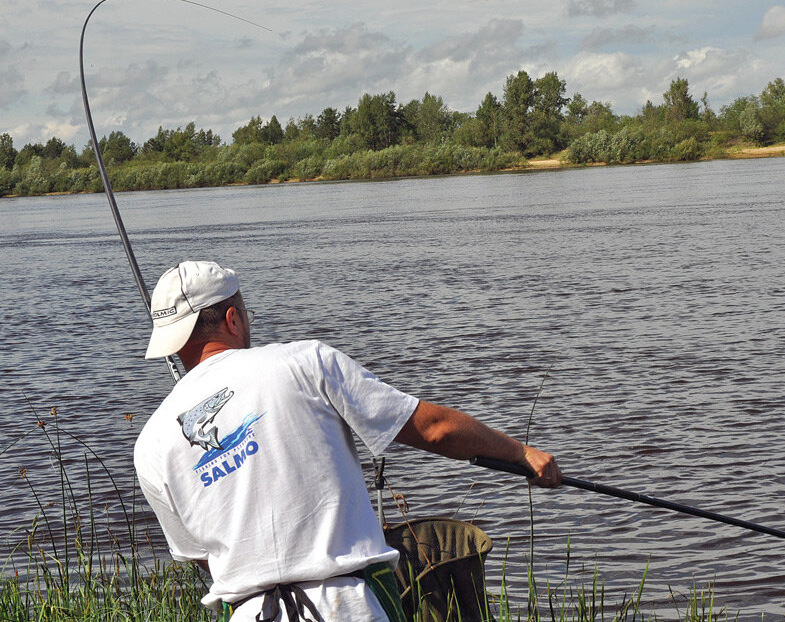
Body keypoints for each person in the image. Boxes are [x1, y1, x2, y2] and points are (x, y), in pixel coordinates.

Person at [134, 260, 561, 622]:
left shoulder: (150, 444)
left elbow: (203, 557)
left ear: (171, 344)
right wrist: (520, 453)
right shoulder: (303, 362)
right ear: (233, 318)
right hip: (346, 605)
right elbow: (435, 430)